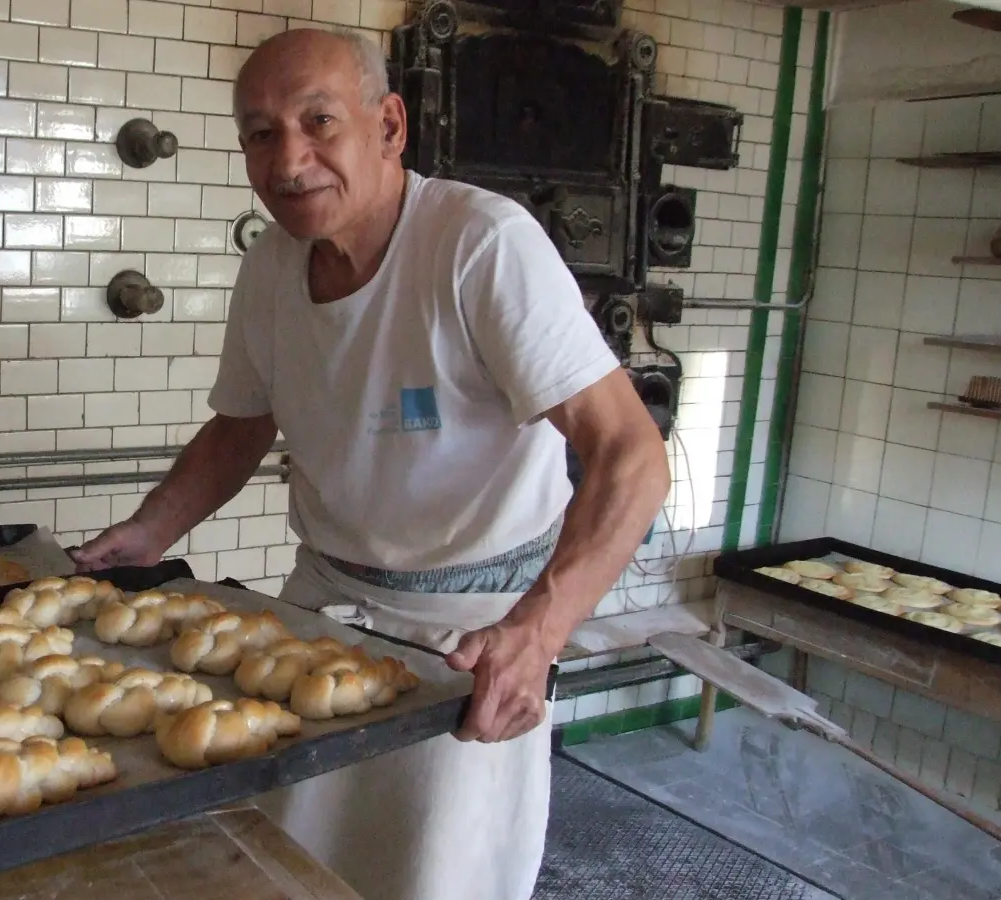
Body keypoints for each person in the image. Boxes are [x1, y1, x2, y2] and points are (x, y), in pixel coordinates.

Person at [72, 27, 670, 900]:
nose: (289, 158)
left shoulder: (479, 245)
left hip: (468, 643)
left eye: (319, 122)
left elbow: (631, 451)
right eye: (261, 133)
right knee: (287, 865)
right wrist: (149, 531)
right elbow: (240, 427)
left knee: (430, 875)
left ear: (389, 126)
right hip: (323, 618)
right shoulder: (272, 266)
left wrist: (538, 636)